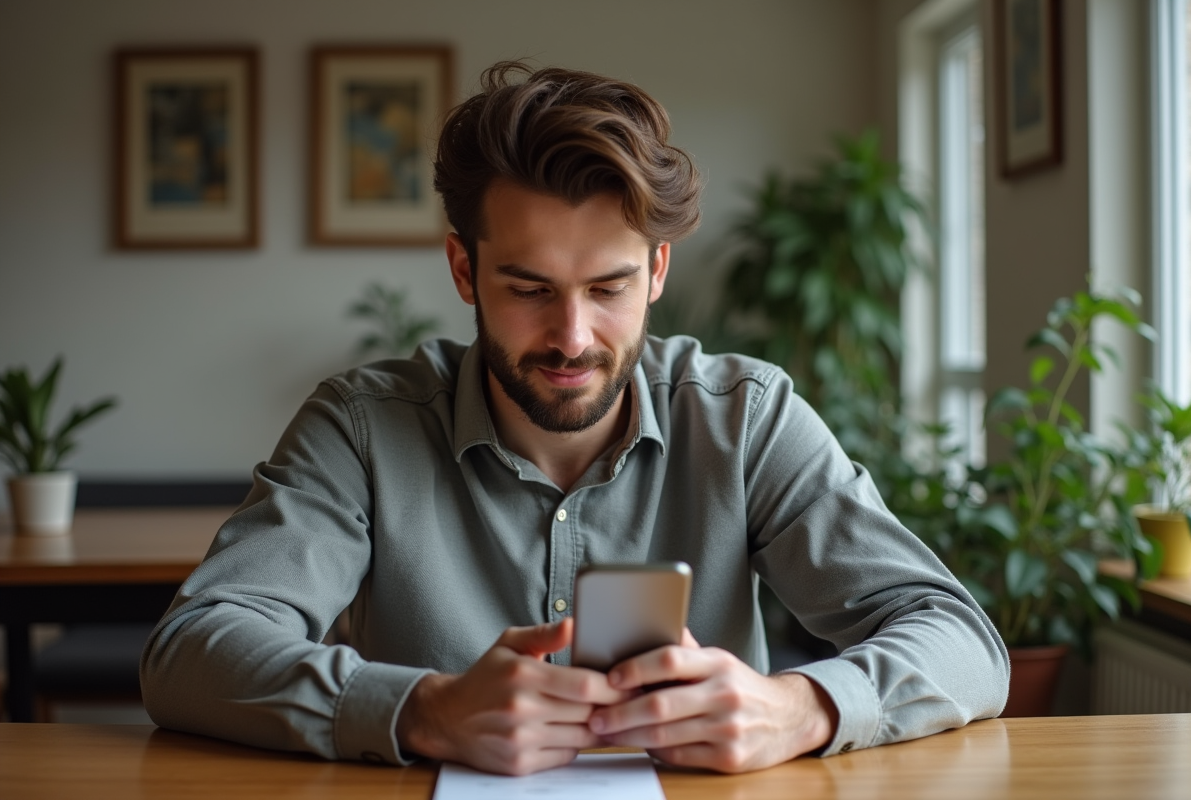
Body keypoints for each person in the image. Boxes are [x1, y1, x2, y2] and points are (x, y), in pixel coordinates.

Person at [141, 62, 1008, 776]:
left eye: (609, 288)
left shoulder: (745, 418)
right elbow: (191, 650)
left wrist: (802, 707)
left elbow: (961, 639)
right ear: (463, 269)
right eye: (528, 289)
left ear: (658, 270)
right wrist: (422, 710)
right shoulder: (363, 428)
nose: (571, 336)